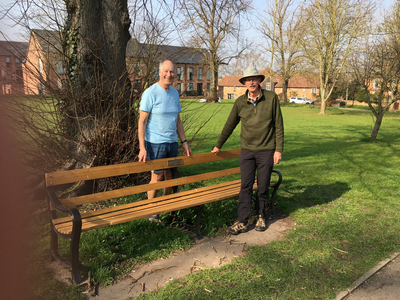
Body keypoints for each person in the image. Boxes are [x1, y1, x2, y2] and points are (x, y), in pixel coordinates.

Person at [212, 67, 284, 235]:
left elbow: (279, 125)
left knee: (263, 185)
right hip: (247, 152)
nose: (251, 82)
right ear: (244, 83)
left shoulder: (271, 98)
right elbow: (229, 125)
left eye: (254, 79)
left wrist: (278, 150)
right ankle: (242, 221)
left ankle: (261, 216)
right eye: (248, 80)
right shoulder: (239, 102)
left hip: (266, 150)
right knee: (245, 186)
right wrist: (218, 145)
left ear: (259, 81)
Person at [138, 60, 192, 222]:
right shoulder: (150, 93)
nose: (169, 75)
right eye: (166, 71)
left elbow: (178, 121)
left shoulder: (175, 93)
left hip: (172, 143)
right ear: (159, 72)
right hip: (155, 143)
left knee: (170, 177)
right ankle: (151, 211)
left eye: (172, 72)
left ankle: (164, 206)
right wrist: (142, 147)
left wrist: (184, 142)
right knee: (157, 178)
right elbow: (142, 121)